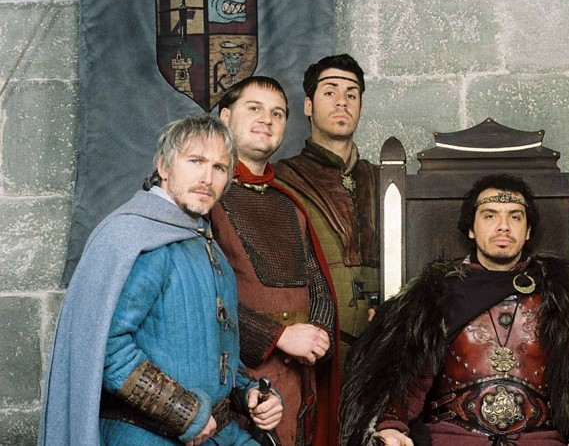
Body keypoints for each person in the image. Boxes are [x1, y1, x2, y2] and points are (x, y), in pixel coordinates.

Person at [39, 115, 283, 445]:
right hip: (142, 434)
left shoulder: (203, 241)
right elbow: (107, 348)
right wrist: (185, 413)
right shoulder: (133, 237)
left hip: (216, 431)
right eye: (195, 161)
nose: (207, 178)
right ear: (164, 167)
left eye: (219, 167)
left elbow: (216, 348)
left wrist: (249, 393)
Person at [340, 174, 569, 446]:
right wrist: (391, 426)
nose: (503, 226)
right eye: (490, 215)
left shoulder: (567, 295)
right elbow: (403, 376)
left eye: (515, 216)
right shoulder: (434, 296)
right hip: (452, 440)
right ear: (471, 228)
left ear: (528, 231)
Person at [210, 76, 340, 445]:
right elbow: (201, 294)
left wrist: (318, 334)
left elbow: (317, 284)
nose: (267, 119)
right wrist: (278, 336)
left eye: (278, 113)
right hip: (235, 376)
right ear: (224, 117)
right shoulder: (205, 196)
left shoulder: (288, 202)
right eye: (254, 108)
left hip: (298, 376)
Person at [274, 54, 380, 374]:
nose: (342, 101)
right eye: (330, 91)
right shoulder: (282, 178)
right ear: (308, 105)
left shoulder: (382, 179)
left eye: (351, 94)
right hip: (311, 348)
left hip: (380, 347)